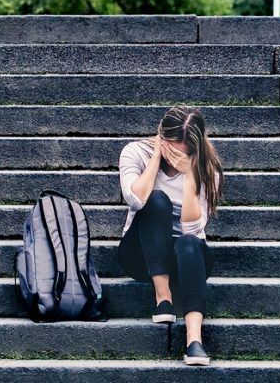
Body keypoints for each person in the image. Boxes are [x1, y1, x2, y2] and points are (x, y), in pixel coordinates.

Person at [116, 105, 224, 366]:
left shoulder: (207, 170)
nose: (175, 155)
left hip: (187, 258)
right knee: (156, 200)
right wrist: (155, 157)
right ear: (161, 137)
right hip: (141, 254)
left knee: (188, 242)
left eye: (183, 151)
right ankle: (163, 298)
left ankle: (194, 339)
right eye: (171, 146)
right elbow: (135, 199)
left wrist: (189, 176)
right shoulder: (135, 152)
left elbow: (192, 230)